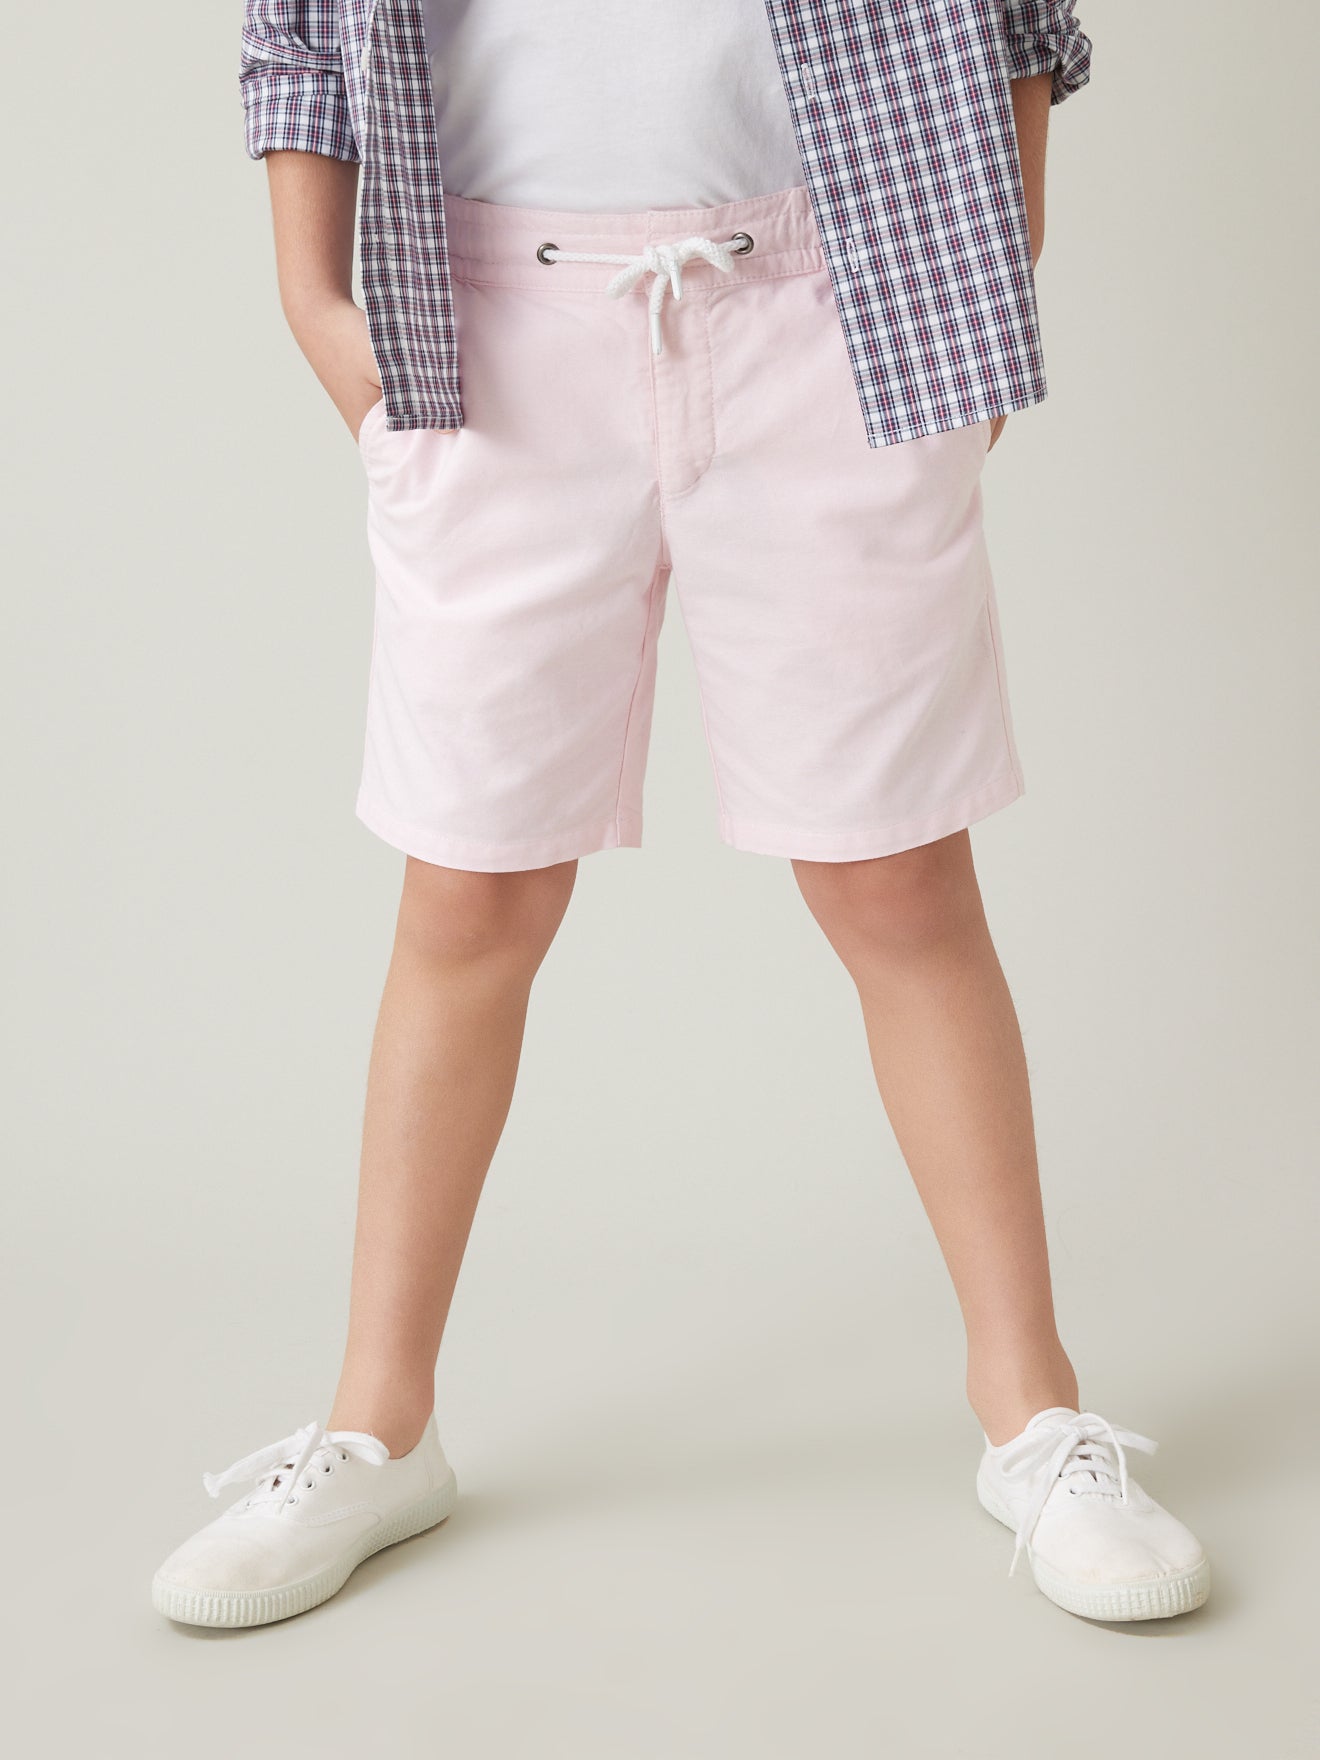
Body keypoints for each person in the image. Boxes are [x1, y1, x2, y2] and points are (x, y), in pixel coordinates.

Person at [152, 0, 1210, 1629]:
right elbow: (298, 28)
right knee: (469, 894)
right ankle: (377, 1428)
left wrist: (983, 287)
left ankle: (1034, 1415)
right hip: (487, 330)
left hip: (830, 310)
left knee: (900, 880)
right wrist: (315, 301)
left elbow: (1013, 15)